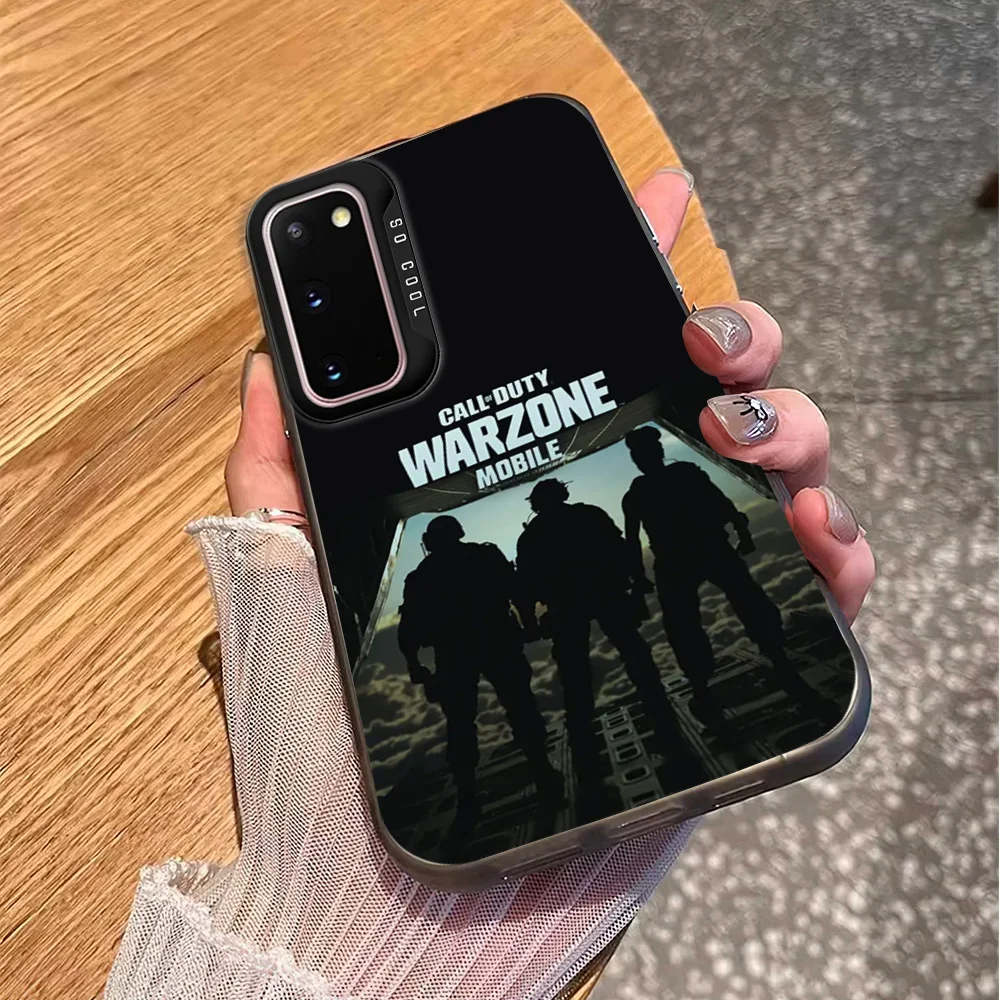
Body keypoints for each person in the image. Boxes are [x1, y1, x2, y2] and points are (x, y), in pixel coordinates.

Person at [105, 168, 874, 999]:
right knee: (604, 679)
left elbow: (555, 571)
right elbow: (587, 558)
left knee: (577, 689)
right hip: (575, 615)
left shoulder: (533, 536)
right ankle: (578, 759)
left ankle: (548, 771)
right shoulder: (550, 529)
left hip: (571, 616)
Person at [622, 426, 839, 728]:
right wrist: (741, 530)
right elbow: (719, 503)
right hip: (708, 550)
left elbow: (635, 539)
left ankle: (706, 688)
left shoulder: (640, 492)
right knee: (737, 606)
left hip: (681, 560)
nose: (645, 458)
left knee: (690, 623)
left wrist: (638, 578)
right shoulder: (679, 476)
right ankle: (775, 663)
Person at [515, 478, 707, 788]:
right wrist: (637, 583)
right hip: (604, 594)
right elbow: (619, 550)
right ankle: (662, 721)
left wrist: (531, 623)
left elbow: (526, 583)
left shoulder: (533, 536)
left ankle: (586, 752)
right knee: (633, 656)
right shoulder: (587, 515)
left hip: (571, 605)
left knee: (579, 676)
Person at [396, 513, 561, 825]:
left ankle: (468, 797)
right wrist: (529, 624)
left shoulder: (422, 576)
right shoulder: (484, 556)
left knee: (461, 723)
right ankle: (543, 771)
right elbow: (516, 590)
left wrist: (414, 664)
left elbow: (410, 628)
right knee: (520, 707)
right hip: (496, 642)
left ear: (431, 542)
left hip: (455, 654)